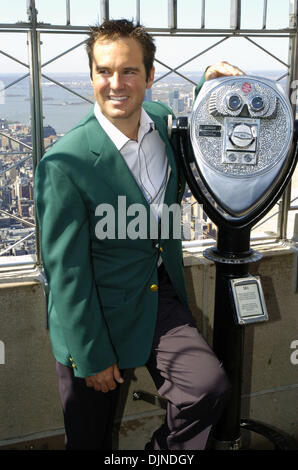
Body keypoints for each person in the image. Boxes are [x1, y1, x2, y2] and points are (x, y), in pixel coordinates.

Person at [35, 19, 243, 450]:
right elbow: (67, 274)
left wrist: (211, 85)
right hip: (93, 309)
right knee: (90, 438)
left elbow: (194, 124)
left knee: (209, 386)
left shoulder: (163, 123)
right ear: (91, 76)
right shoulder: (64, 164)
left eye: (129, 71)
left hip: (154, 294)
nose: (116, 84)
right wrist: (91, 355)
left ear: (150, 77)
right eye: (104, 71)